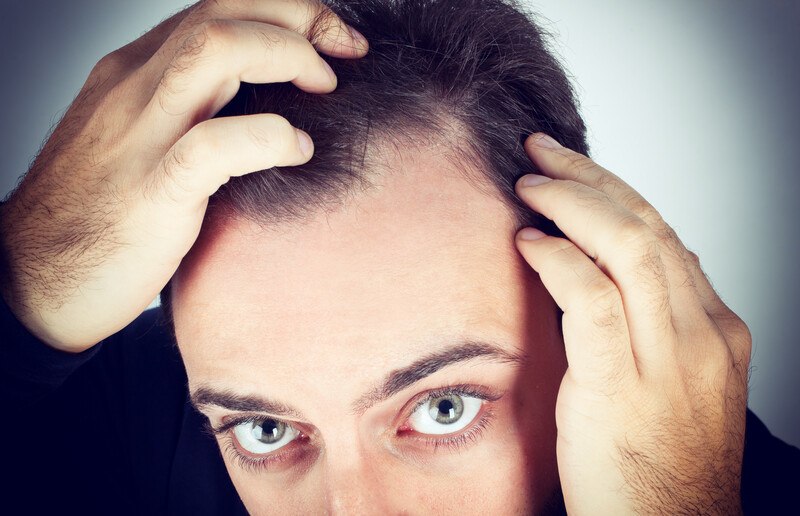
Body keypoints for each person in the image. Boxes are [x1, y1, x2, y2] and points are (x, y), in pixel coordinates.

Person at [0, 0, 797, 514]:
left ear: (597, 316)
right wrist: (22, 282)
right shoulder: (137, 422)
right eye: (265, 431)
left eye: (444, 407)